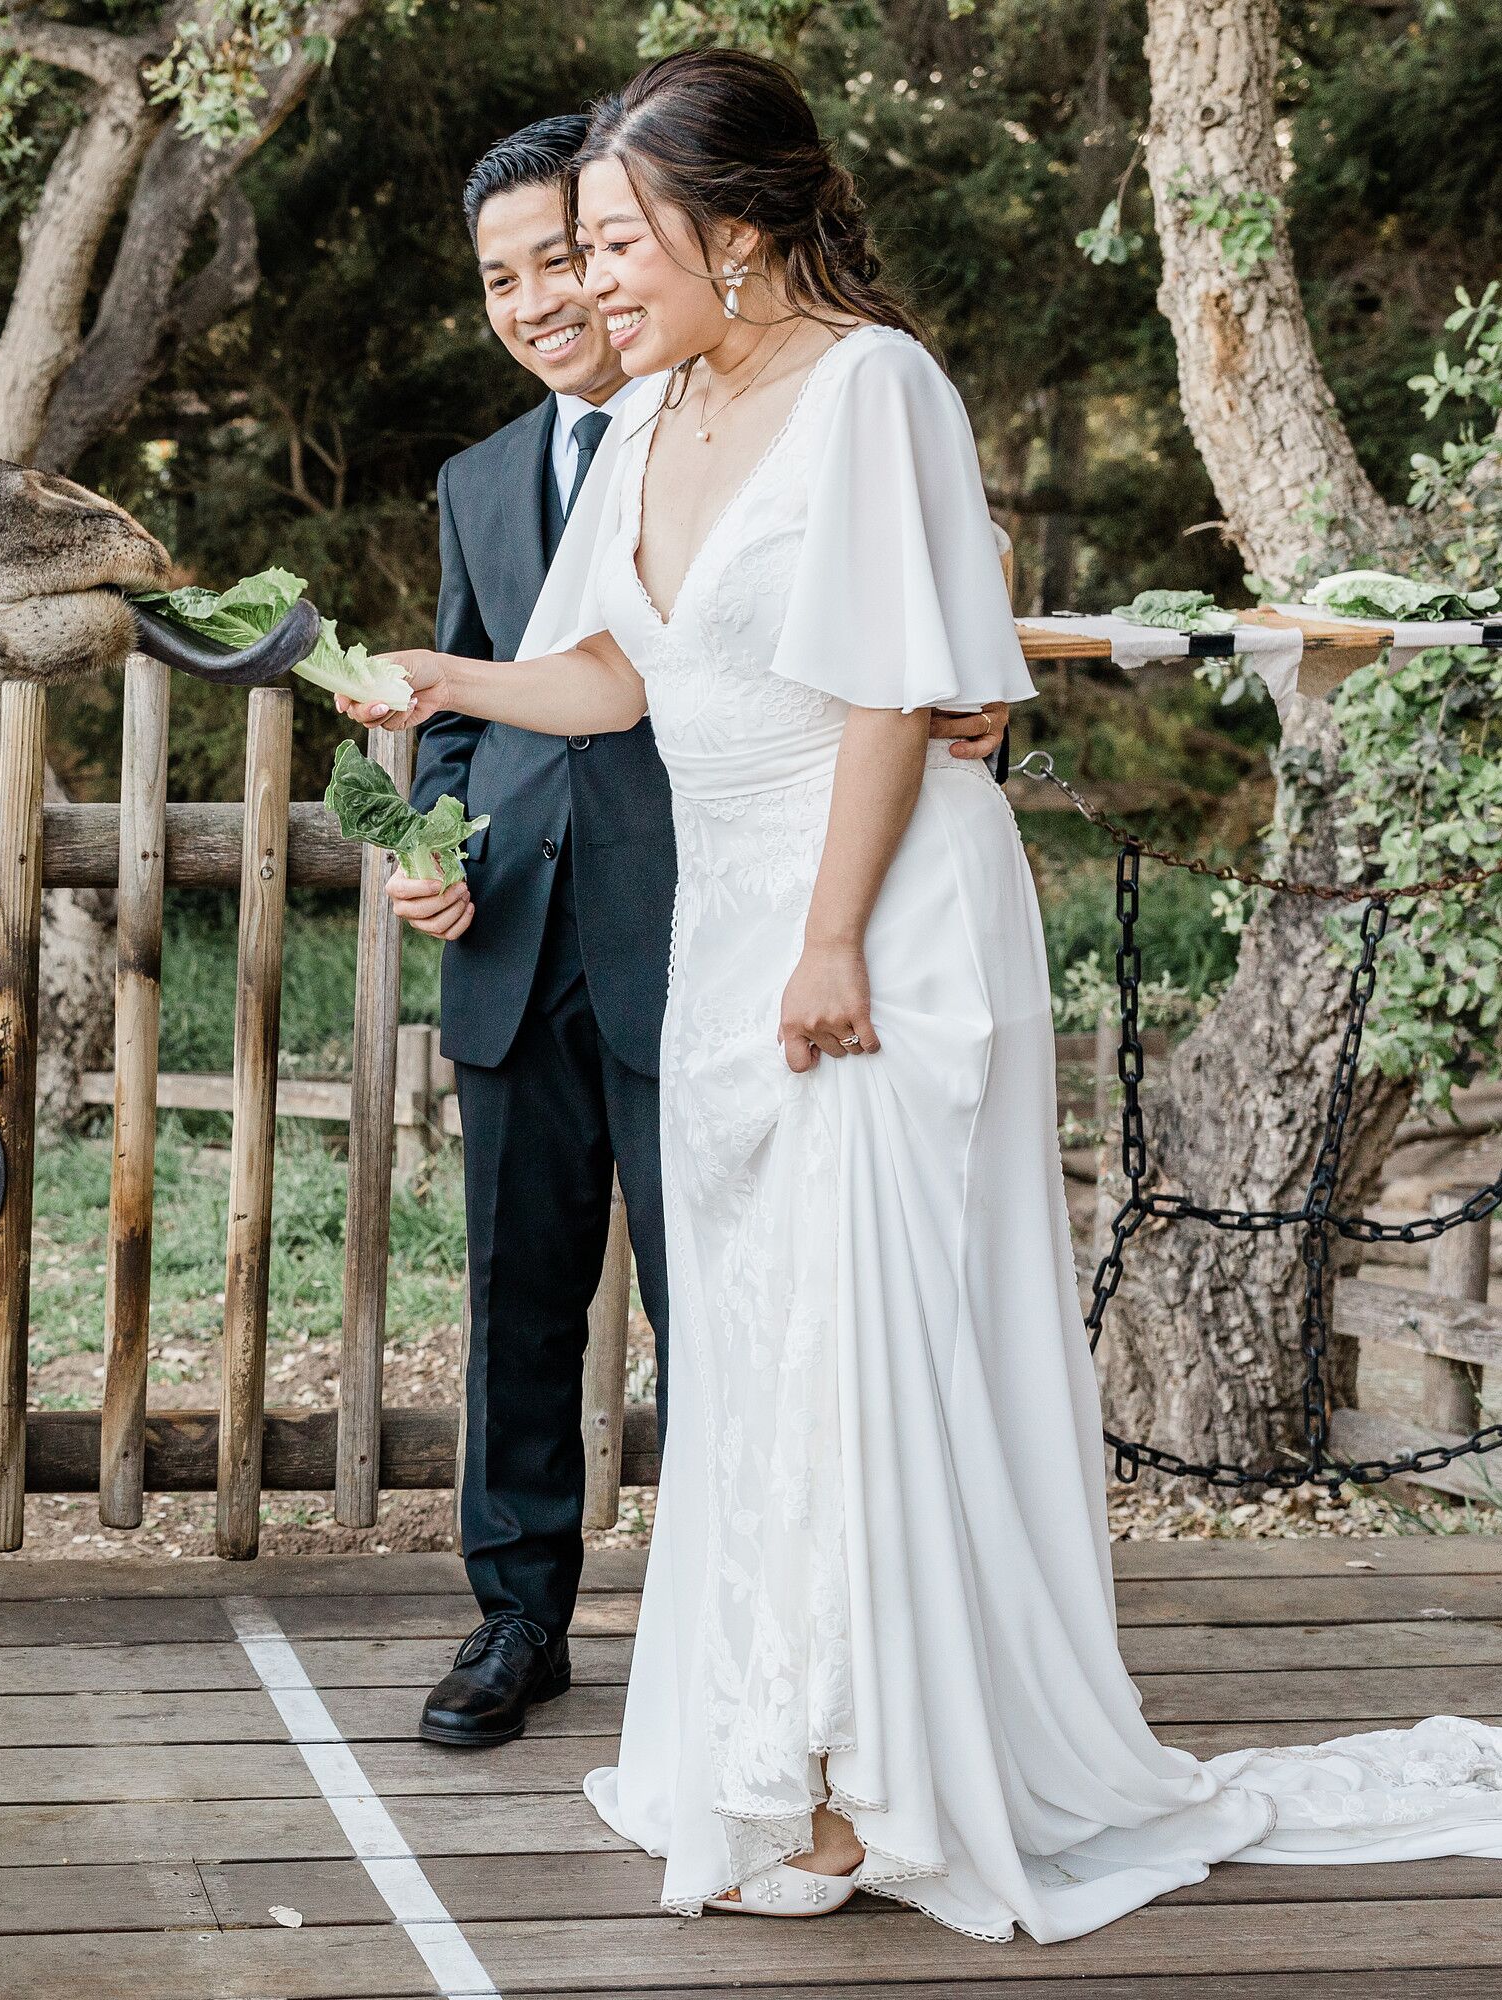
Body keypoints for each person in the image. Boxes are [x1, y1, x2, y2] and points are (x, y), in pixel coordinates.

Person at [341, 45, 1502, 1944]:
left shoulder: (876, 388)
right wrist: (445, 682)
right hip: (736, 914)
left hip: (868, 907)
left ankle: (864, 1783)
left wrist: (827, 938)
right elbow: (612, 679)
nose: (597, 279)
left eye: (625, 240)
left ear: (738, 226)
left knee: (856, 1324)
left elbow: (898, 689)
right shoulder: (648, 418)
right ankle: (772, 1742)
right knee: (769, 1331)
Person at [403, 115, 1000, 1751]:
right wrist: (433, 775)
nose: (555, 296)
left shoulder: (841, 394)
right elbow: (528, 690)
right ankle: (548, 1633)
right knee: (529, 1302)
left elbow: (913, 644)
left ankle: (805, 1682)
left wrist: (951, 749)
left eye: (585, 251)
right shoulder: (511, 471)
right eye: (515, 274)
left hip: (749, 927)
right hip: (534, 940)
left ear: (691, 235)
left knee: (751, 1317)